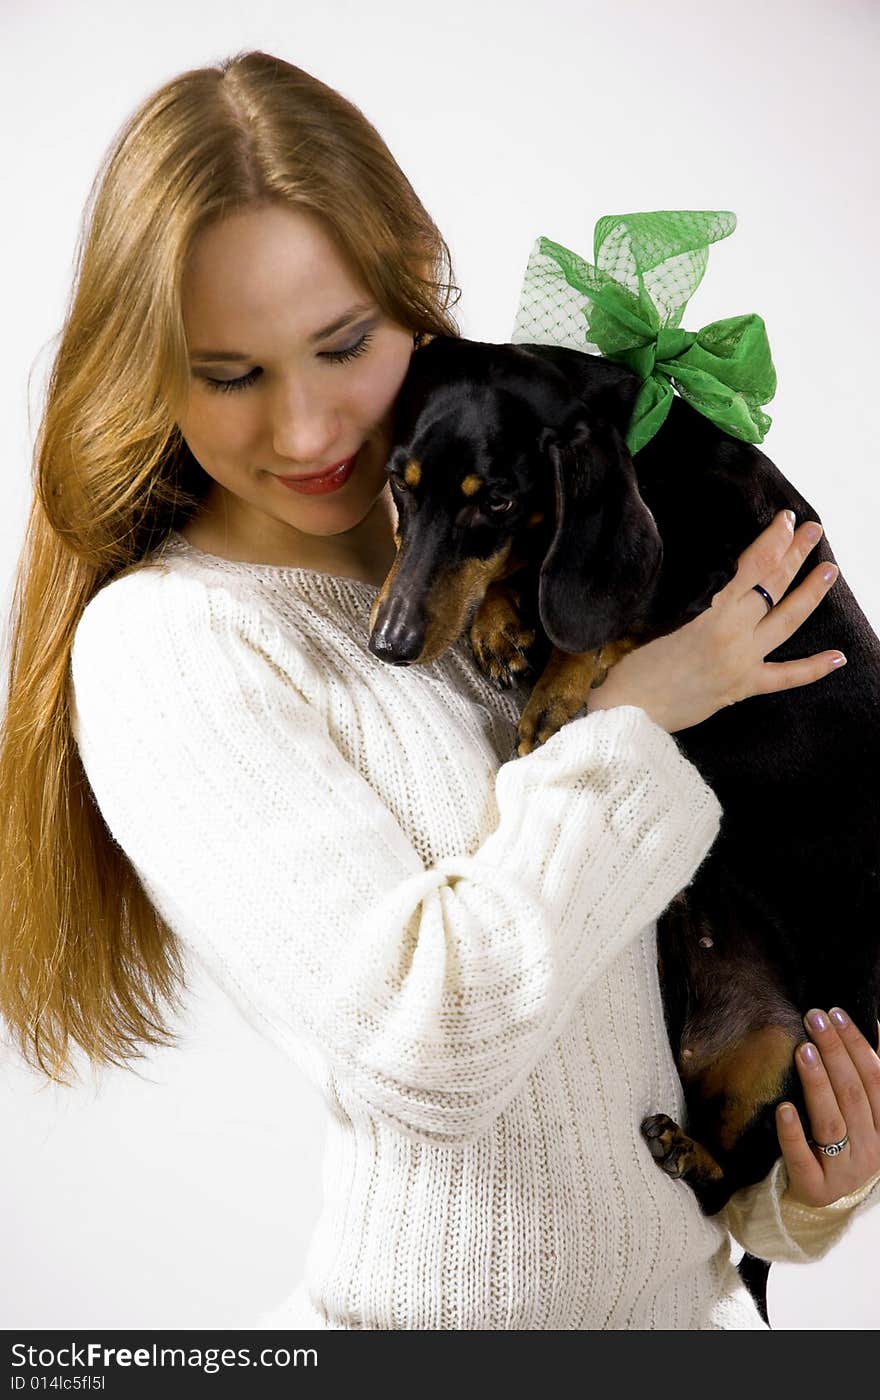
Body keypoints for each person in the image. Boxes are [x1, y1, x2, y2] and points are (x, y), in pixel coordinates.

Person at [1, 50, 878, 1332]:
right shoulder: (174, 648)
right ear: (150, 372)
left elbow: (608, 1031)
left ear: (415, 294)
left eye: (341, 344)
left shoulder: (525, 545)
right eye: (229, 372)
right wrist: (635, 714)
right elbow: (434, 1051)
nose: (305, 431)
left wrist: (790, 1193)